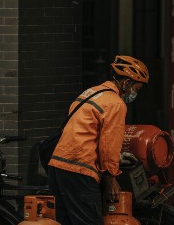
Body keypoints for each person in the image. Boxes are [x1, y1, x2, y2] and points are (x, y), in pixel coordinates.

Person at [47, 55, 149, 225]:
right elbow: (109, 144)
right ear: (126, 83)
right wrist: (111, 179)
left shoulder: (91, 92)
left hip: (57, 167)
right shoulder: (116, 104)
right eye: (136, 89)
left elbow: (83, 131)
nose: (134, 94)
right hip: (80, 170)